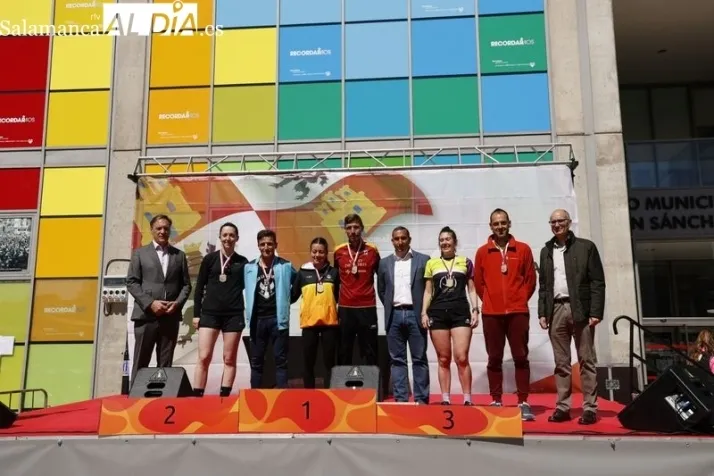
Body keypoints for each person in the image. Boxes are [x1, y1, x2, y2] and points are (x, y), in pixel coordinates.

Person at [538, 209, 605, 425]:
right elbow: (543, 286)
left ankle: (590, 408)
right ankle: (563, 407)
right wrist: (542, 312)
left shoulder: (586, 247)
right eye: (553, 222)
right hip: (556, 309)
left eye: (561, 221)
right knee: (561, 363)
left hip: (581, 309)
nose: (557, 225)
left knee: (587, 360)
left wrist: (596, 312)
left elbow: (597, 282)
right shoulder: (546, 251)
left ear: (569, 222)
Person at [474, 209, 537, 420]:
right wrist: (491, 300)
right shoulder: (482, 252)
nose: (500, 227)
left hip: (518, 312)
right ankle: (496, 400)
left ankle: (523, 401)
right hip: (492, 314)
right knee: (494, 357)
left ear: (509, 224)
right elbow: (479, 283)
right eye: (496, 223)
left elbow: (530, 280)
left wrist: (519, 299)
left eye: (503, 223)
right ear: (490, 226)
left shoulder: (523, 249)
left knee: (521, 356)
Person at [126, 214, 191, 383]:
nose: (162, 231)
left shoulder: (179, 256)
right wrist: (150, 303)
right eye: (159, 228)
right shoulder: (140, 254)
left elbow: (186, 286)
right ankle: (136, 396)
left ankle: (162, 396)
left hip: (170, 317)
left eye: (166, 228)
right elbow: (132, 282)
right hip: (146, 316)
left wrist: (177, 304)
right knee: (141, 361)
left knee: (165, 365)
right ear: (152, 230)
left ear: (170, 231)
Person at [421, 226, 479, 405]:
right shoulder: (431, 263)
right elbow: (428, 291)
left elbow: (472, 289)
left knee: (462, 357)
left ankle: (467, 398)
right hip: (437, 313)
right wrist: (424, 313)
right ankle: (445, 398)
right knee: (443, 359)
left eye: (447, 239)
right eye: (441, 240)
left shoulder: (465, 262)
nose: (444, 242)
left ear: (454, 242)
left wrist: (475, 310)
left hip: (460, 312)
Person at [191, 223, 249, 397]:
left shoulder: (243, 262)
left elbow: (248, 287)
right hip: (210, 314)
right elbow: (199, 288)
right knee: (204, 356)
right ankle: (197, 396)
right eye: (225, 235)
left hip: (233, 315)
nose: (228, 238)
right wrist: (196, 314)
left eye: (231, 235)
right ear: (220, 237)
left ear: (237, 238)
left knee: (229, 358)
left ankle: (224, 398)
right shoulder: (210, 259)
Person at [377, 226, 430, 404]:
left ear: (409, 239)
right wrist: (391, 307)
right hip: (394, 315)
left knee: (419, 359)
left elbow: (429, 290)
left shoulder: (423, 260)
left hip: (416, 314)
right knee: (397, 360)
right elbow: (382, 290)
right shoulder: (384, 263)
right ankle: (401, 400)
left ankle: (421, 400)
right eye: (397, 239)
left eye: (403, 238)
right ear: (392, 241)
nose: (400, 242)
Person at [244, 229, 297, 389]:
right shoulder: (249, 267)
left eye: (269, 244)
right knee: (256, 362)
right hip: (257, 320)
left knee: (281, 361)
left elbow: (298, 284)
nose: (266, 247)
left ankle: (282, 397)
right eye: (263, 244)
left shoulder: (285, 266)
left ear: (275, 245)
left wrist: (287, 300)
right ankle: (254, 397)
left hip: (278, 320)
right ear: (258, 246)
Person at [291, 237, 340, 388]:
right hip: (309, 324)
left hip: (329, 324)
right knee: (308, 362)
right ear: (310, 252)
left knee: (329, 362)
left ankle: (330, 394)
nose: (317, 255)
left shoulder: (334, 272)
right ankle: (309, 394)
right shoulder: (302, 272)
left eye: (321, 252)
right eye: (314, 252)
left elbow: (338, 297)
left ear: (326, 253)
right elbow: (292, 296)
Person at [333, 214, 381, 365]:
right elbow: (335, 280)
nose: (353, 231)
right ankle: (343, 381)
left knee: (369, 350)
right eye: (349, 228)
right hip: (346, 308)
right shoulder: (338, 251)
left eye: (356, 227)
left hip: (367, 307)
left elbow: (381, 277)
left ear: (362, 229)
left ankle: (370, 381)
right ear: (345, 230)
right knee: (344, 349)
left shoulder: (372, 250)